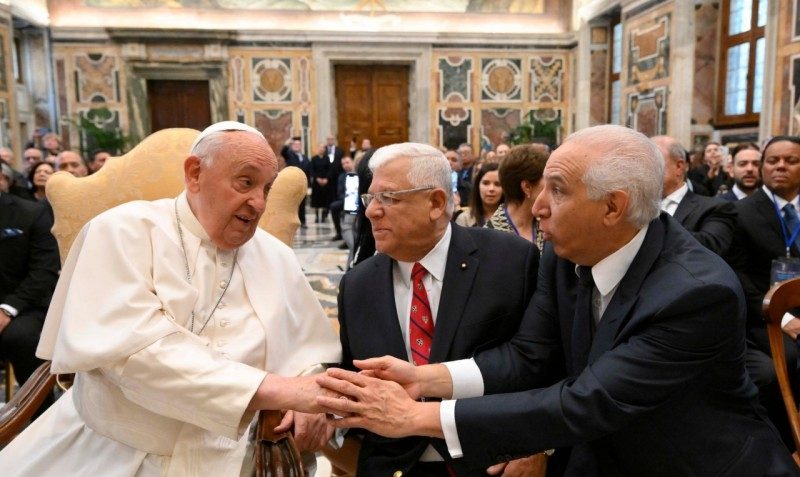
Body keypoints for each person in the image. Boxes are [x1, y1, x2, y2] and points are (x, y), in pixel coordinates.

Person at [317, 125, 797, 476]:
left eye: (559, 191)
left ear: (614, 207)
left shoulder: (695, 292)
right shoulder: (564, 256)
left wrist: (416, 416)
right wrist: (424, 378)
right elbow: (532, 357)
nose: (539, 205)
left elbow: (585, 402)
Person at [0, 122, 342, 476]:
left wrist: (309, 400)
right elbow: (133, 355)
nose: (258, 203)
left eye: (266, 188)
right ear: (195, 173)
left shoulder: (276, 256)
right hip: (116, 450)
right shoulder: (120, 231)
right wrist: (283, 391)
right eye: (245, 182)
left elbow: (311, 351)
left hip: (246, 453)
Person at [337, 142, 540, 476]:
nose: (372, 211)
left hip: (490, 463)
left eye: (388, 198)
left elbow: (538, 362)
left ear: (436, 203)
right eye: (370, 198)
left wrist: (538, 446)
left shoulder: (510, 261)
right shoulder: (358, 285)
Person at [725, 135, 800, 448]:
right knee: (790, 359)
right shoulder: (740, 213)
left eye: (791, 160)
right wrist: (783, 319)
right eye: (773, 160)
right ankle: (785, 442)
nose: (780, 166)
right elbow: (739, 276)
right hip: (765, 317)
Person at [0, 162, 60, 388]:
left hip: (25, 305)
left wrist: (7, 309)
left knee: (20, 338)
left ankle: (39, 412)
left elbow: (43, 269)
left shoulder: (31, 212)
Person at [652, 135, 736, 255]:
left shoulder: (714, 207)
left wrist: (648, 233)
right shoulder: (633, 205)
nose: (645, 170)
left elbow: (711, 245)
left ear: (679, 167)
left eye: (653, 163)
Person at [486, 144, 549, 251]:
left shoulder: (548, 230)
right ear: (527, 187)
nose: (551, 189)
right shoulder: (490, 239)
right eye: (547, 181)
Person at [454, 162, 503, 227]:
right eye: (486, 183)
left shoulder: (513, 219)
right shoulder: (464, 219)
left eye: (497, 184)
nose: (491, 189)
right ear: (477, 186)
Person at [282, 136, 311, 228]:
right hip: (292, 184)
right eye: (295, 144)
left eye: (299, 144)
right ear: (292, 145)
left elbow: (309, 172)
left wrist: (309, 185)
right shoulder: (289, 155)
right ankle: (291, 222)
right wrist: (287, 143)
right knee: (291, 204)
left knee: (302, 204)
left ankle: (303, 221)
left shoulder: (305, 158)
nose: (297, 146)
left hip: (303, 185)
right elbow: (283, 152)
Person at [310, 142, 333, 224]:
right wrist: (317, 178)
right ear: (317, 149)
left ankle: (323, 216)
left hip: (326, 182)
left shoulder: (327, 158)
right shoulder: (314, 159)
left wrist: (326, 179)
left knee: (324, 200)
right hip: (317, 183)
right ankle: (317, 216)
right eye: (320, 147)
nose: (321, 149)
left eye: (323, 147)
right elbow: (312, 170)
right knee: (316, 200)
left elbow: (330, 169)